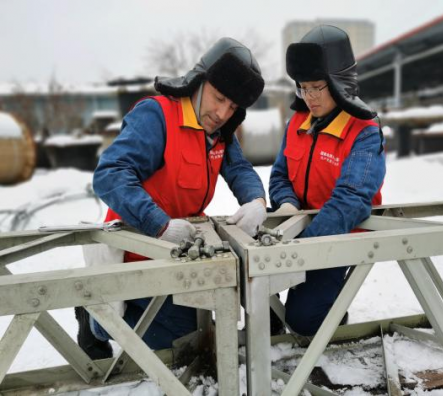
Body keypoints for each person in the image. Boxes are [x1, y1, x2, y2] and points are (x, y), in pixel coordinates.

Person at [76, 37, 268, 359]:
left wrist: (257, 201)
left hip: (182, 252)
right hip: (137, 250)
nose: (222, 113)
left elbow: (240, 170)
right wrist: (159, 224)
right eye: (219, 98)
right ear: (199, 80)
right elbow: (110, 174)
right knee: (185, 338)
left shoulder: (219, 132)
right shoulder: (158, 117)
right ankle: (95, 318)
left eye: (233, 106)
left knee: (210, 320)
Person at [269, 25, 386, 336]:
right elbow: (279, 174)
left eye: (316, 87)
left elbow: (351, 200)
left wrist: (298, 253)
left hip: (337, 238)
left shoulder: (363, 130)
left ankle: (333, 310)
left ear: (339, 82)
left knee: (305, 320)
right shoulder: (297, 122)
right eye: (302, 88)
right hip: (295, 230)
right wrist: (287, 203)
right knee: (255, 292)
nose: (309, 97)